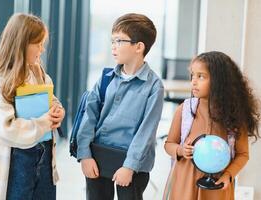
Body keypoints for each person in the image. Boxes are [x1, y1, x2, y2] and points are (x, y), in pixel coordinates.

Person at [77, 13, 164, 200]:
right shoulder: (106, 78)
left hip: (132, 164)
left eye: (119, 41)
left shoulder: (154, 86)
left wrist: (129, 166)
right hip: (97, 157)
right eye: (112, 41)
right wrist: (84, 155)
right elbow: (89, 117)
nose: (113, 47)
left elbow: (146, 131)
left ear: (139, 47)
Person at [0, 13, 65, 200]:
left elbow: (52, 100)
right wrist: (44, 122)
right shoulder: (0, 83)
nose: (42, 50)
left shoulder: (38, 72)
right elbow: (5, 129)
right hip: (16, 164)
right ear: (21, 44)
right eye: (38, 44)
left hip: (43, 158)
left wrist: (58, 111)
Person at [164, 51, 260, 200]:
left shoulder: (234, 114)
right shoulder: (184, 110)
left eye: (201, 76)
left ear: (219, 81)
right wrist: (181, 150)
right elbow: (169, 144)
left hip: (217, 187)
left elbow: (243, 154)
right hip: (184, 182)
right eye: (192, 75)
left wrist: (229, 175)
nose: (193, 82)